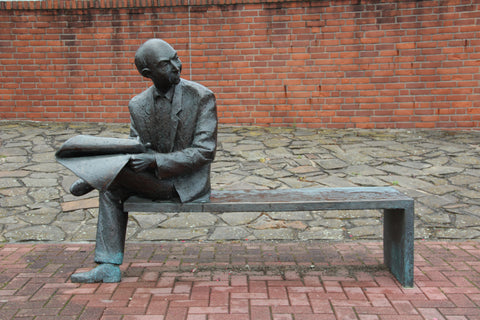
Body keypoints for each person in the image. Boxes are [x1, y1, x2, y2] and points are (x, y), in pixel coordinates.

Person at [67, 38, 218, 283]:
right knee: (112, 183)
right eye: (166, 64)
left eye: (176, 57)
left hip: (185, 184)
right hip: (153, 180)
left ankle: (92, 177)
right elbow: (135, 147)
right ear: (148, 73)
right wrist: (137, 156)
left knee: (108, 181)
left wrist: (154, 160)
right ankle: (108, 265)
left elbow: (204, 151)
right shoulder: (138, 105)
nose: (177, 66)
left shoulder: (201, 97)